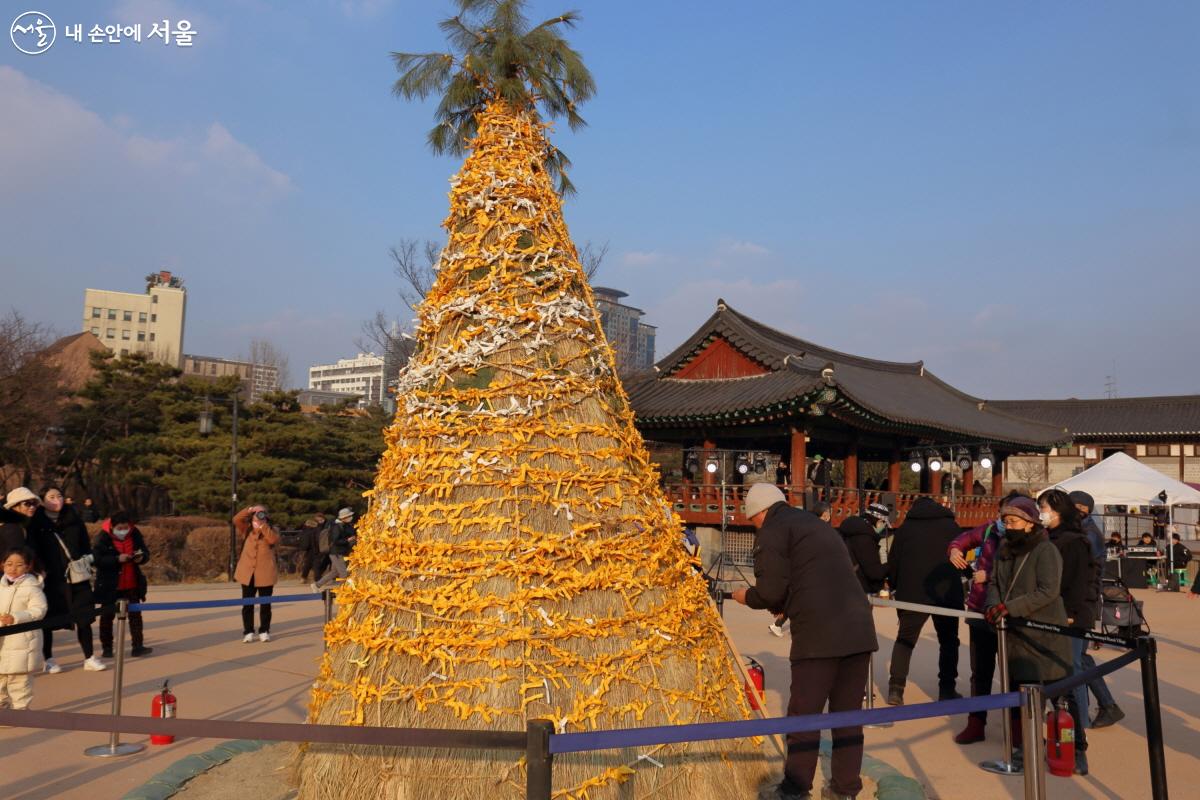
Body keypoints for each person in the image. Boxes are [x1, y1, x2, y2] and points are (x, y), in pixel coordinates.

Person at [731, 483, 877, 800]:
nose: (754, 525)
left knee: (805, 714)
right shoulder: (814, 524)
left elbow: (770, 592)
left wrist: (744, 597)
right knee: (847, 716)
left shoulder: (772, 529)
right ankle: (845, 788)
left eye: (751, 519)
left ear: (758, 512)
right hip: (859, 629)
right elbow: (812, 577)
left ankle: (795, 788)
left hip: (819, 636)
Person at [984, 496, 1072, 767]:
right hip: (1011, 633)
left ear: (1029, 522)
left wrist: (1009, 607)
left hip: (1041, 633)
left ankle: (1060, 749)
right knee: (1017, 692)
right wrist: (992, 606)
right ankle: (1023, 747)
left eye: (1013, 521)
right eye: (1005, 520)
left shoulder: (1046, 550)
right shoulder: (1003, 548)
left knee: (1043, 695)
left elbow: (1048, 590)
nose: (1007, 525)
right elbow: (994, 582)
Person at [947, 495, 1016, 744]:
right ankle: (976, 723)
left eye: (1012, 516)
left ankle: (1018, 729)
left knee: (1016, 673)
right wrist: (954, 548)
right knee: (980, 672)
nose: (1005, 521)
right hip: (979, 608)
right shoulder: (989, 529)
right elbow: (963, 539)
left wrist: (989, 576)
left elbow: (1024, 575)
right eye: (1003, 515)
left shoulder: (1029, 539)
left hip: (1010, 613)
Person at [1038, 489, 1097, 774]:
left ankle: (1078, 748)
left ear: (1058, 509)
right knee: (1046, 679)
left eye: (1044, 507)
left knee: (1070, 678)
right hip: (1046, 618)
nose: (1042, 513)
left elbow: (1077, 582)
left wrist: (1070, 615)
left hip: (1069, 619)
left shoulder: (1074, 541)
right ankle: (1049, 741)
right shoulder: (1046, 538)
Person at [885, 496, 964, 705]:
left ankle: (896, 688)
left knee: (905, 640)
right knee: (948, 642)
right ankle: (947, 688)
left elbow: (894, 561)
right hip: (946, 593)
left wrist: (893, 584)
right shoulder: (951, 526)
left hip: (911, 594)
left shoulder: (905, 528)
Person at [30, 486, 105, 673]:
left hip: (77, 577)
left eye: (60, 495)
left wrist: (88, 558)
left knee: (84, 617)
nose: (57, 500)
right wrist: (39, 570)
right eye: (52, 496)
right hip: (51, 580)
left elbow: (86, 546)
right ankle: (49, 659)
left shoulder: (74, 519)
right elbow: (32, 550)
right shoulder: (35, 523)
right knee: (47, 619)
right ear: (42, 500)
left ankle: (89, 657)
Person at [93, 511, 152, 658]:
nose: (123, 530)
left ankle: (138, 646)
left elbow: (145, 552)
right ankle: (107, 648)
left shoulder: (135, 533)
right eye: (120, 528)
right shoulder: (103, 537)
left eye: (126, 527)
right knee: (107, 617)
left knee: (135, 616)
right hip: (110, 584)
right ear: (112, 527)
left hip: (132, 582)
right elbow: (97, 559)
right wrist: (116, 559)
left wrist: (141, 557)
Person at [0, 546, 47, 710]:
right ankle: (3, 711)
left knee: (19, 680)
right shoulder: (1, 586)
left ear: (28, 566)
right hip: (2, 641)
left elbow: (39, 610)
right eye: (9, 564)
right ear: (3, 565)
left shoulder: (32, 587)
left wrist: (16, 617)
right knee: (1, 680)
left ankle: (21, 713)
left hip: (22, 642)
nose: (13, 568)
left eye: (19, 564)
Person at [234, 505, 279, 643]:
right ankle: (248, 631)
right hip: (247, 573)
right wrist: (250, 509)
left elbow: (273, 540)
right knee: (247, 604)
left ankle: (264, 630)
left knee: (265, 605)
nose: (259, 516)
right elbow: (236, 519)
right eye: (257, 514)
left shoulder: (271, 529)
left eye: (262, 514)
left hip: (265, 573)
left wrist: (263, 526)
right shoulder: (246, 529)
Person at [839, 511, 887, 594]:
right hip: (862, 589)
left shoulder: (851, 532)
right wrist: (890, 566)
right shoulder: (865, 538)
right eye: (884, 524)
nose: (884, 527)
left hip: (848, 585)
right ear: (879, 521)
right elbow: (874, 572)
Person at [313, 508, 357, 591]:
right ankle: (343, 591)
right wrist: (347, 540)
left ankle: (317, 585)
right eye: (349, 516)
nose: (351, 517)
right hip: (337, 553)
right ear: (344, 517)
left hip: (341, 552)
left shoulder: (346, 525)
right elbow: (335, 541)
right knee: (344, 573)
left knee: (335, 572)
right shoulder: (336, 527)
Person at [1, 488, 39, 554]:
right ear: (14, 506)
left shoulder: (25, 525)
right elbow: (16, 557)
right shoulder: (12, 528)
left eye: (34, 503)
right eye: (27, 504)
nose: (32, 507)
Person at [296, 513, 327, 583]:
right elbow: (316, 539)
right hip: (315, 549)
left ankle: (303, 577)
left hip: (308, 549)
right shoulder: (316, 529)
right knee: (316, 564)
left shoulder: (306, 528)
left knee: (308, 563)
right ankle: (317, 579)